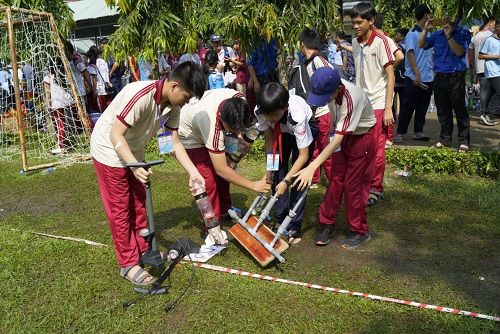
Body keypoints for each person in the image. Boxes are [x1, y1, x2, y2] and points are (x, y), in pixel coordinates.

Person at [90, 61, 206, 286]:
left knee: (139, 203)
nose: (186, 102)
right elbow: (115, 135)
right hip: (109, 151)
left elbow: (174, 142)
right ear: (173, 86)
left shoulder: (173, 107)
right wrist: (134, 166)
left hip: (133, 151)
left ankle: (143, 251)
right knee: (120, 209)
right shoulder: (141, 96)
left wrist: (193, 172)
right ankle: (128, 264)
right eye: (186, 96)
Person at [293, 66, 377, 248]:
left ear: (338, 89)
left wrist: (312, 166)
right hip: (342, 136)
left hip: (362, 138)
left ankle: (360, 230)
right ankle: (327, 223)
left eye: (325, 97)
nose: (323, 102)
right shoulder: (329, 90)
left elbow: (337, 140)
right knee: (335, 180)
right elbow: (337, 133)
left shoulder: (351, 97)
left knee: (353, 186)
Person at [178, 88, 271, 232]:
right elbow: (221, 169)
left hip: (212, 124)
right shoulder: (211, 127)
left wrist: (238, 137)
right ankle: (212, 227)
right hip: (191, 136)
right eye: (231, 128)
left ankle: (225, 210)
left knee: (227, 167)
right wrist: (253, 185)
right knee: (208, 181)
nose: (234, 131)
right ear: (221, 116)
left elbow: (226, 166)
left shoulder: (240, 102)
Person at [254, 82, 318, 245]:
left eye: (273, 115)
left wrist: (287, 181)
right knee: (277, 173)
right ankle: (281, 218)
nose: (269, 119)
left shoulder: (296, 115)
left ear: (285, 106)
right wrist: (270, 169)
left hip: (303, 130)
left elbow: (303, 156)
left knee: (298, 178)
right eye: (267, 116)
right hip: (280, 133)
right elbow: (269, 139)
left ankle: (294, 224)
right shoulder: (261, 110)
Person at [350, 3, 395, 206]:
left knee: (377, 148)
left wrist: (387, 108)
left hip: (377, 102)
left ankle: (376, 188)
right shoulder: (355, 42)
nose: (356, 26)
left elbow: (390, 73)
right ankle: (364, 183)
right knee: (361, 146)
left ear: (371, 21)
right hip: (361, 103)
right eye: (354, 23)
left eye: (360, 22)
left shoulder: (382, 41)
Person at [418, 15, 471, 152]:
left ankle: (463, 141)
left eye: (449, 15)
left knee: (459, 110)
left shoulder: (463, 32)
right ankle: (445, 139)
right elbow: (421, 45)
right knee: (442, 111)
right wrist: (424, 30)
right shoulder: (437, 34)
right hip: (440, 77)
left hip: (455, 77)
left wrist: (449, 36)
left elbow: (459, 52)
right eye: (444, 15)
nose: (445, 18)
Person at [298, 27, 334, 189]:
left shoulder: (318, 60)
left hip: (322, 113)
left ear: (302, 44)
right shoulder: (307, 62)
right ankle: (314, 178)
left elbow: (332, 75)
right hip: (312, 114)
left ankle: (334, 179)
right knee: (314, 147)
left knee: (325, 148)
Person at [394, 5, 435, 143]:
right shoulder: (412, 34)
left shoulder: (429, 34)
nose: (433, 17)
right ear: (426, 15)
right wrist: (417, 74)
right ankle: (400, 132)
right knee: (408, 105)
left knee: (423, 106)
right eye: (431, 14)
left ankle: (418, 131)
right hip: (414, 77)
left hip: (428, 77)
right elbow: (410, 54)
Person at [43, 59, 73, 153]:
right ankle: (61, 144)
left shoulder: (48, 77)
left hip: (56, 102)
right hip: (66, 99)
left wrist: (48, 103)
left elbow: (48, 92)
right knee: (62, 122)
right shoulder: (63, 74)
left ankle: (60, 146)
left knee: (59, 123)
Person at [472, 17, 496, 125]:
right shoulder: (492, 34)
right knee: (490, 92)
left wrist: (473, 66)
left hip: (479, 67)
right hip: (491, 66)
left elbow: (471, 52)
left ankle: (484, 113)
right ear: (490, 23)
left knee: (484, 91)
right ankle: (485, 114)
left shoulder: (476, 36)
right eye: (495, 23)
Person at [478, 18, 500, 126]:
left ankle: (487, 113)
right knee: (499, 91)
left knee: (492, 93)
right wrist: (496, 56)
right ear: (497, 27)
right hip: (492, 71)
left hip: (498, 71)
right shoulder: (489, 40)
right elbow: (480, 55)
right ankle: (489, 112)